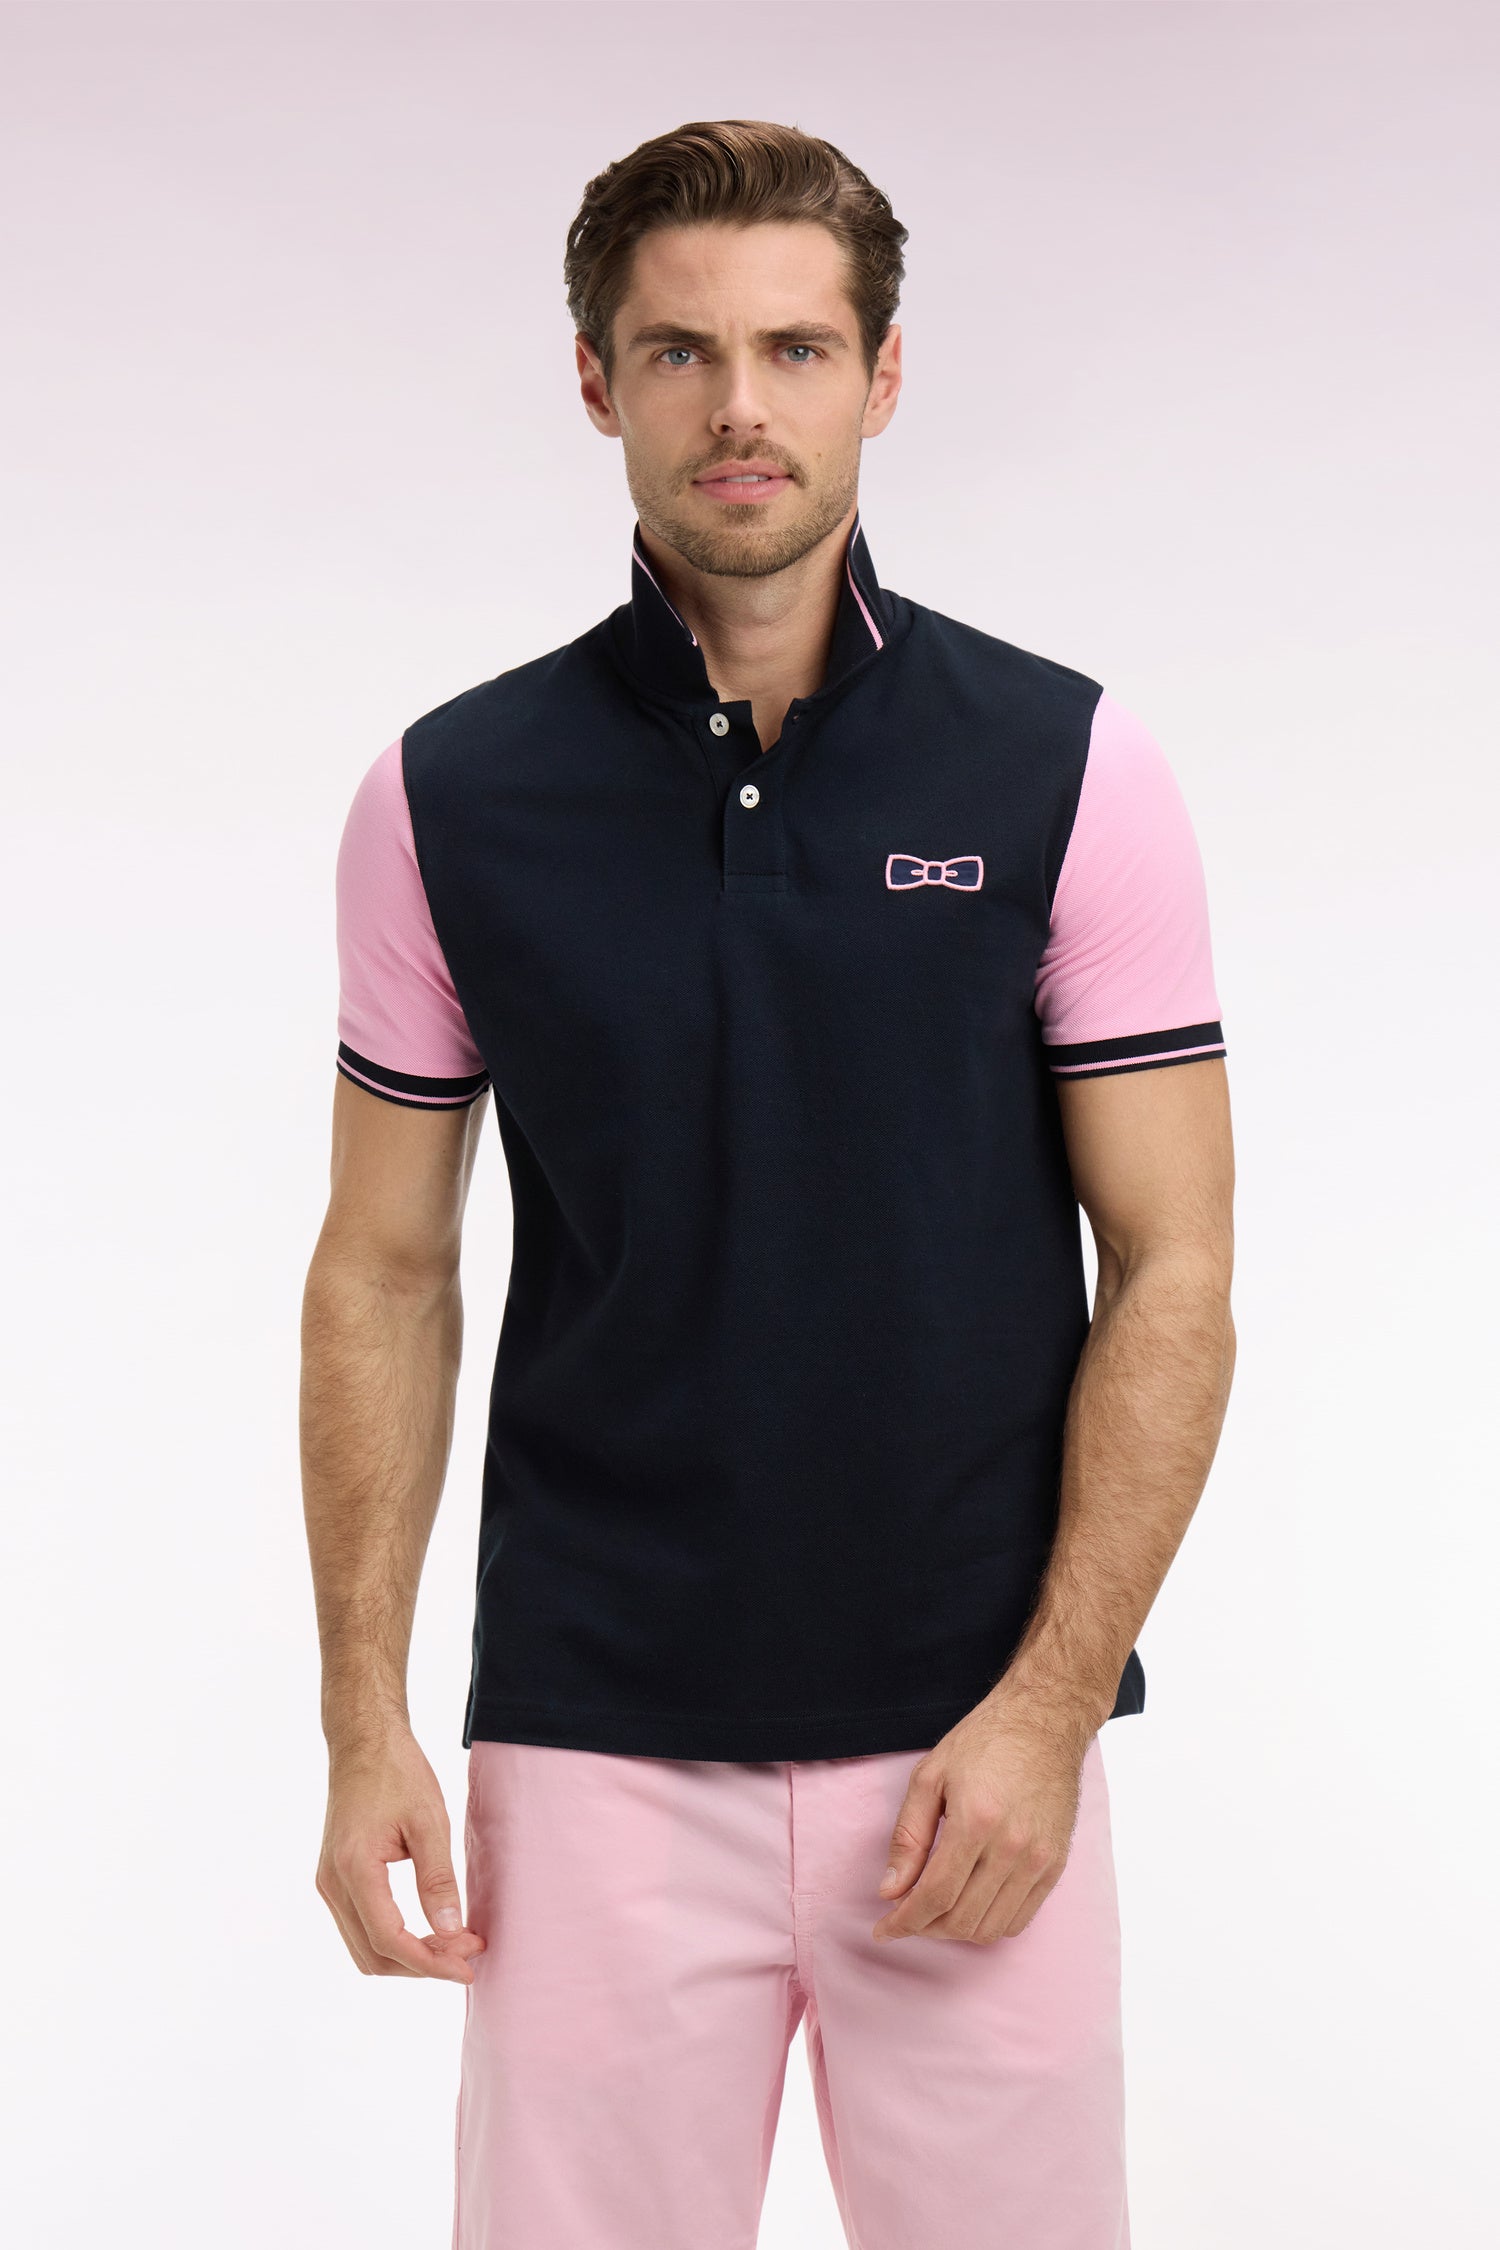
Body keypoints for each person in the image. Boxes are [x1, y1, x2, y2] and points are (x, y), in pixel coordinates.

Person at [300, 116, 1236, 2250]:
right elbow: (381, 1273)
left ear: (882, 374)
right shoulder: (448, 798)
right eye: (683, 351)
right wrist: (363, 1724)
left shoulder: (1068, 767)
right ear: (597, 378)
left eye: (798, 348)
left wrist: (1050, 1706)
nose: (742, 406)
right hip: (594, 1754)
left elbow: (1175, 1265)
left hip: (973, 1752)